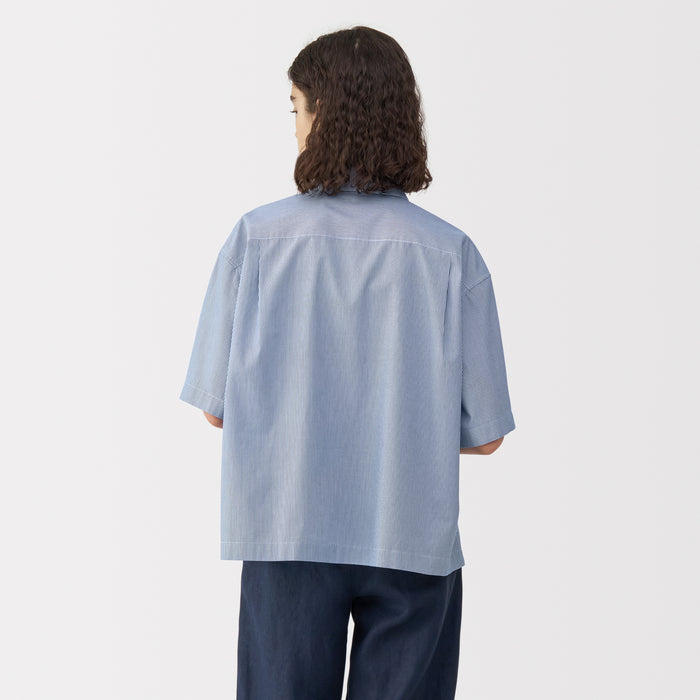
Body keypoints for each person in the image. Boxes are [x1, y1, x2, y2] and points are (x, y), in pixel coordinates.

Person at [179, 25, 515, 700]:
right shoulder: (452, 255)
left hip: (287, 534)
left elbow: (217, 411)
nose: (295, 127)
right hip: (411, 539)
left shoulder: (256, 240)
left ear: (324, 114)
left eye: (297, 108)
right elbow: (486, 437)